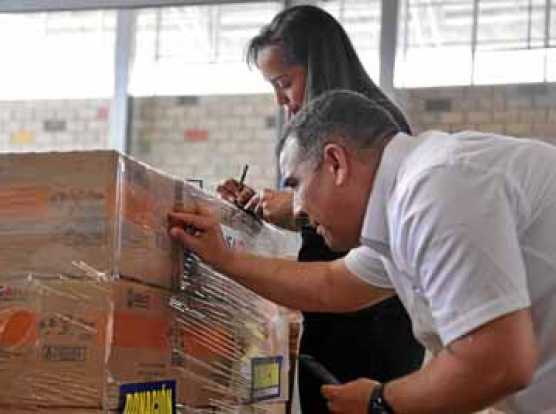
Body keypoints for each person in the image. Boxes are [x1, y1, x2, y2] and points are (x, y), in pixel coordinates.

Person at [169, 90, 555, 413]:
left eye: (297, 183)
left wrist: (380, 402)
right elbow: (331, 284)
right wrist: (223, 258)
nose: (298, 207)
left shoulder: (436, 187)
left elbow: (497, 363)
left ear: (336, 162)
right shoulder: (405, 201)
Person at [217, 6, 424, 413]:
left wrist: (292, 211)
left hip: (371, 323)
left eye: (285, 82)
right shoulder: (322, 132)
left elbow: (363, 223)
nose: (280, 100)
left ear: (338, 160)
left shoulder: (369, 130)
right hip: (336, 306)